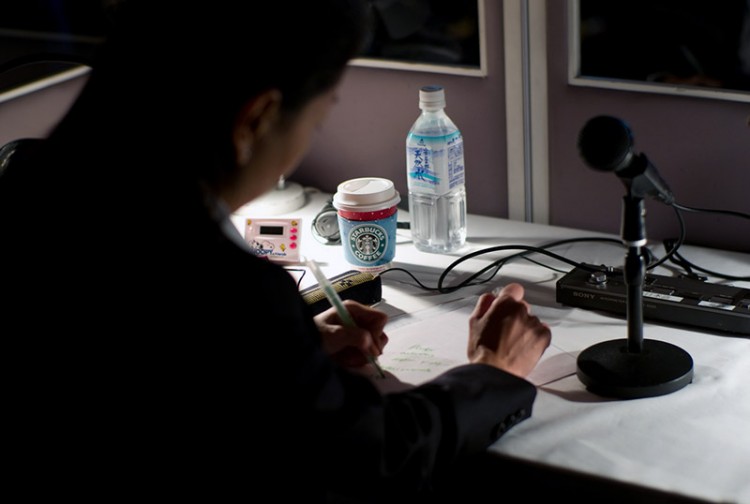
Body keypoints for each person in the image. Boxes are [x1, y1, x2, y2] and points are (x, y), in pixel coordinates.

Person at [0, 1, 551, 502]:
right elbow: (372, 460)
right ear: (257, 120)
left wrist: (288, 350)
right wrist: (494, 373)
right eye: (319, 116)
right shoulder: (230, 291)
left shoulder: (23, 183)